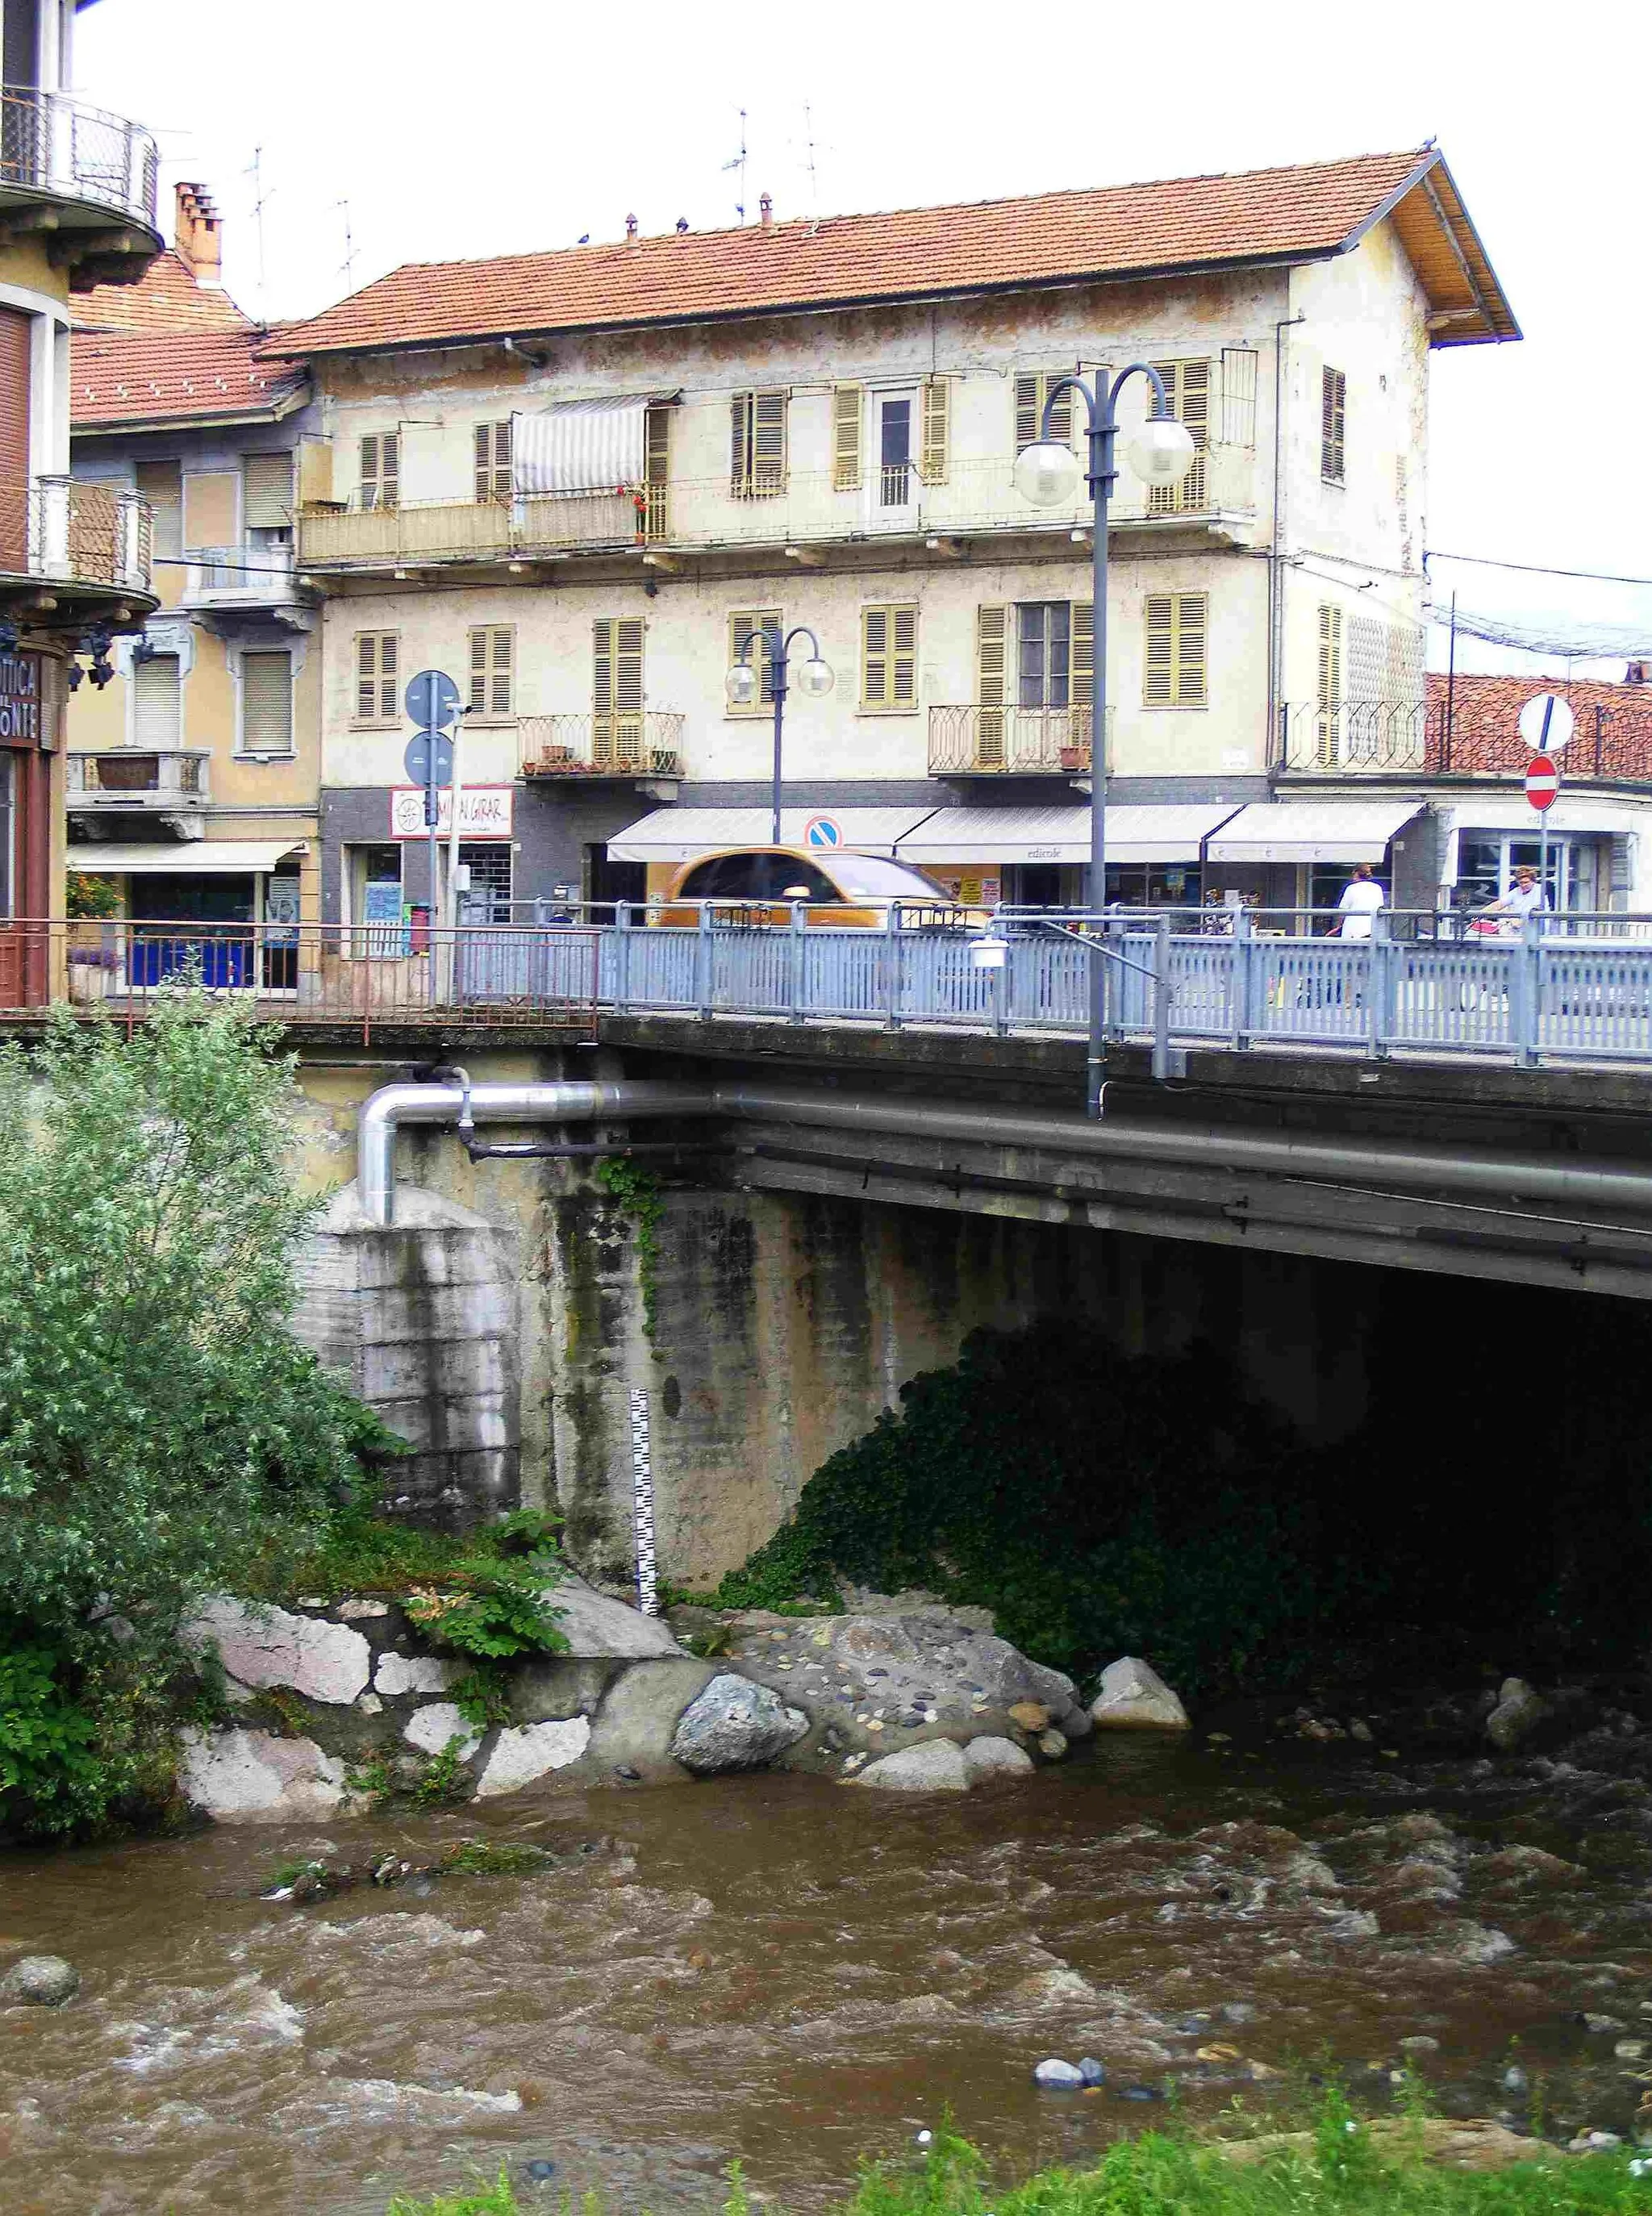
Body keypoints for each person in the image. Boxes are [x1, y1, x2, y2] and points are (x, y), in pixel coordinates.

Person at [1479, 865, 1550, 937]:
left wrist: (1515, 921)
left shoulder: (1539, 890)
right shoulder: (1516, 891)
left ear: (1533, 881)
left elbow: (1532, 910)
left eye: (1526, 882)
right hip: (1518, 934)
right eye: (1521, 883)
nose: (1523, 885)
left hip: (1537, 934)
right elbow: (1498, 904)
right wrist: (1478, 915)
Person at [1331, 863, 1386, 941]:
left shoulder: (1351, 888)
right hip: (1372, 930)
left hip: (1353, 930)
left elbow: (1342, 910)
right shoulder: (1377, 888)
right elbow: (1380, 908)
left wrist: (1338, 926)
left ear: (1356, 873)